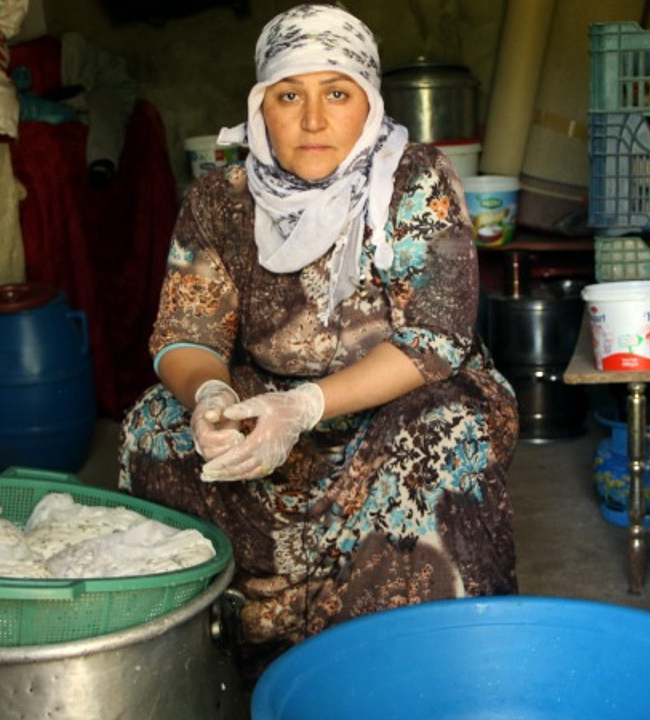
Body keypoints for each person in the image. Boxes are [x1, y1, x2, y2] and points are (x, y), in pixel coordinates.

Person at [118, 2, 519, 673]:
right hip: (268, 404)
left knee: (444, 435)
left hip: (401, 399)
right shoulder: (222, 197)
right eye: (288, 95)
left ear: (368, 104)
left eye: (336, 93)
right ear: (260, 107)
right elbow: (186, 329)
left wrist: (304, 409)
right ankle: (209, 661)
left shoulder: (413, 181)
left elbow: (435, 341)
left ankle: (410, 666)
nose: (311, 119)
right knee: (151, 428)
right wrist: (211, 395)